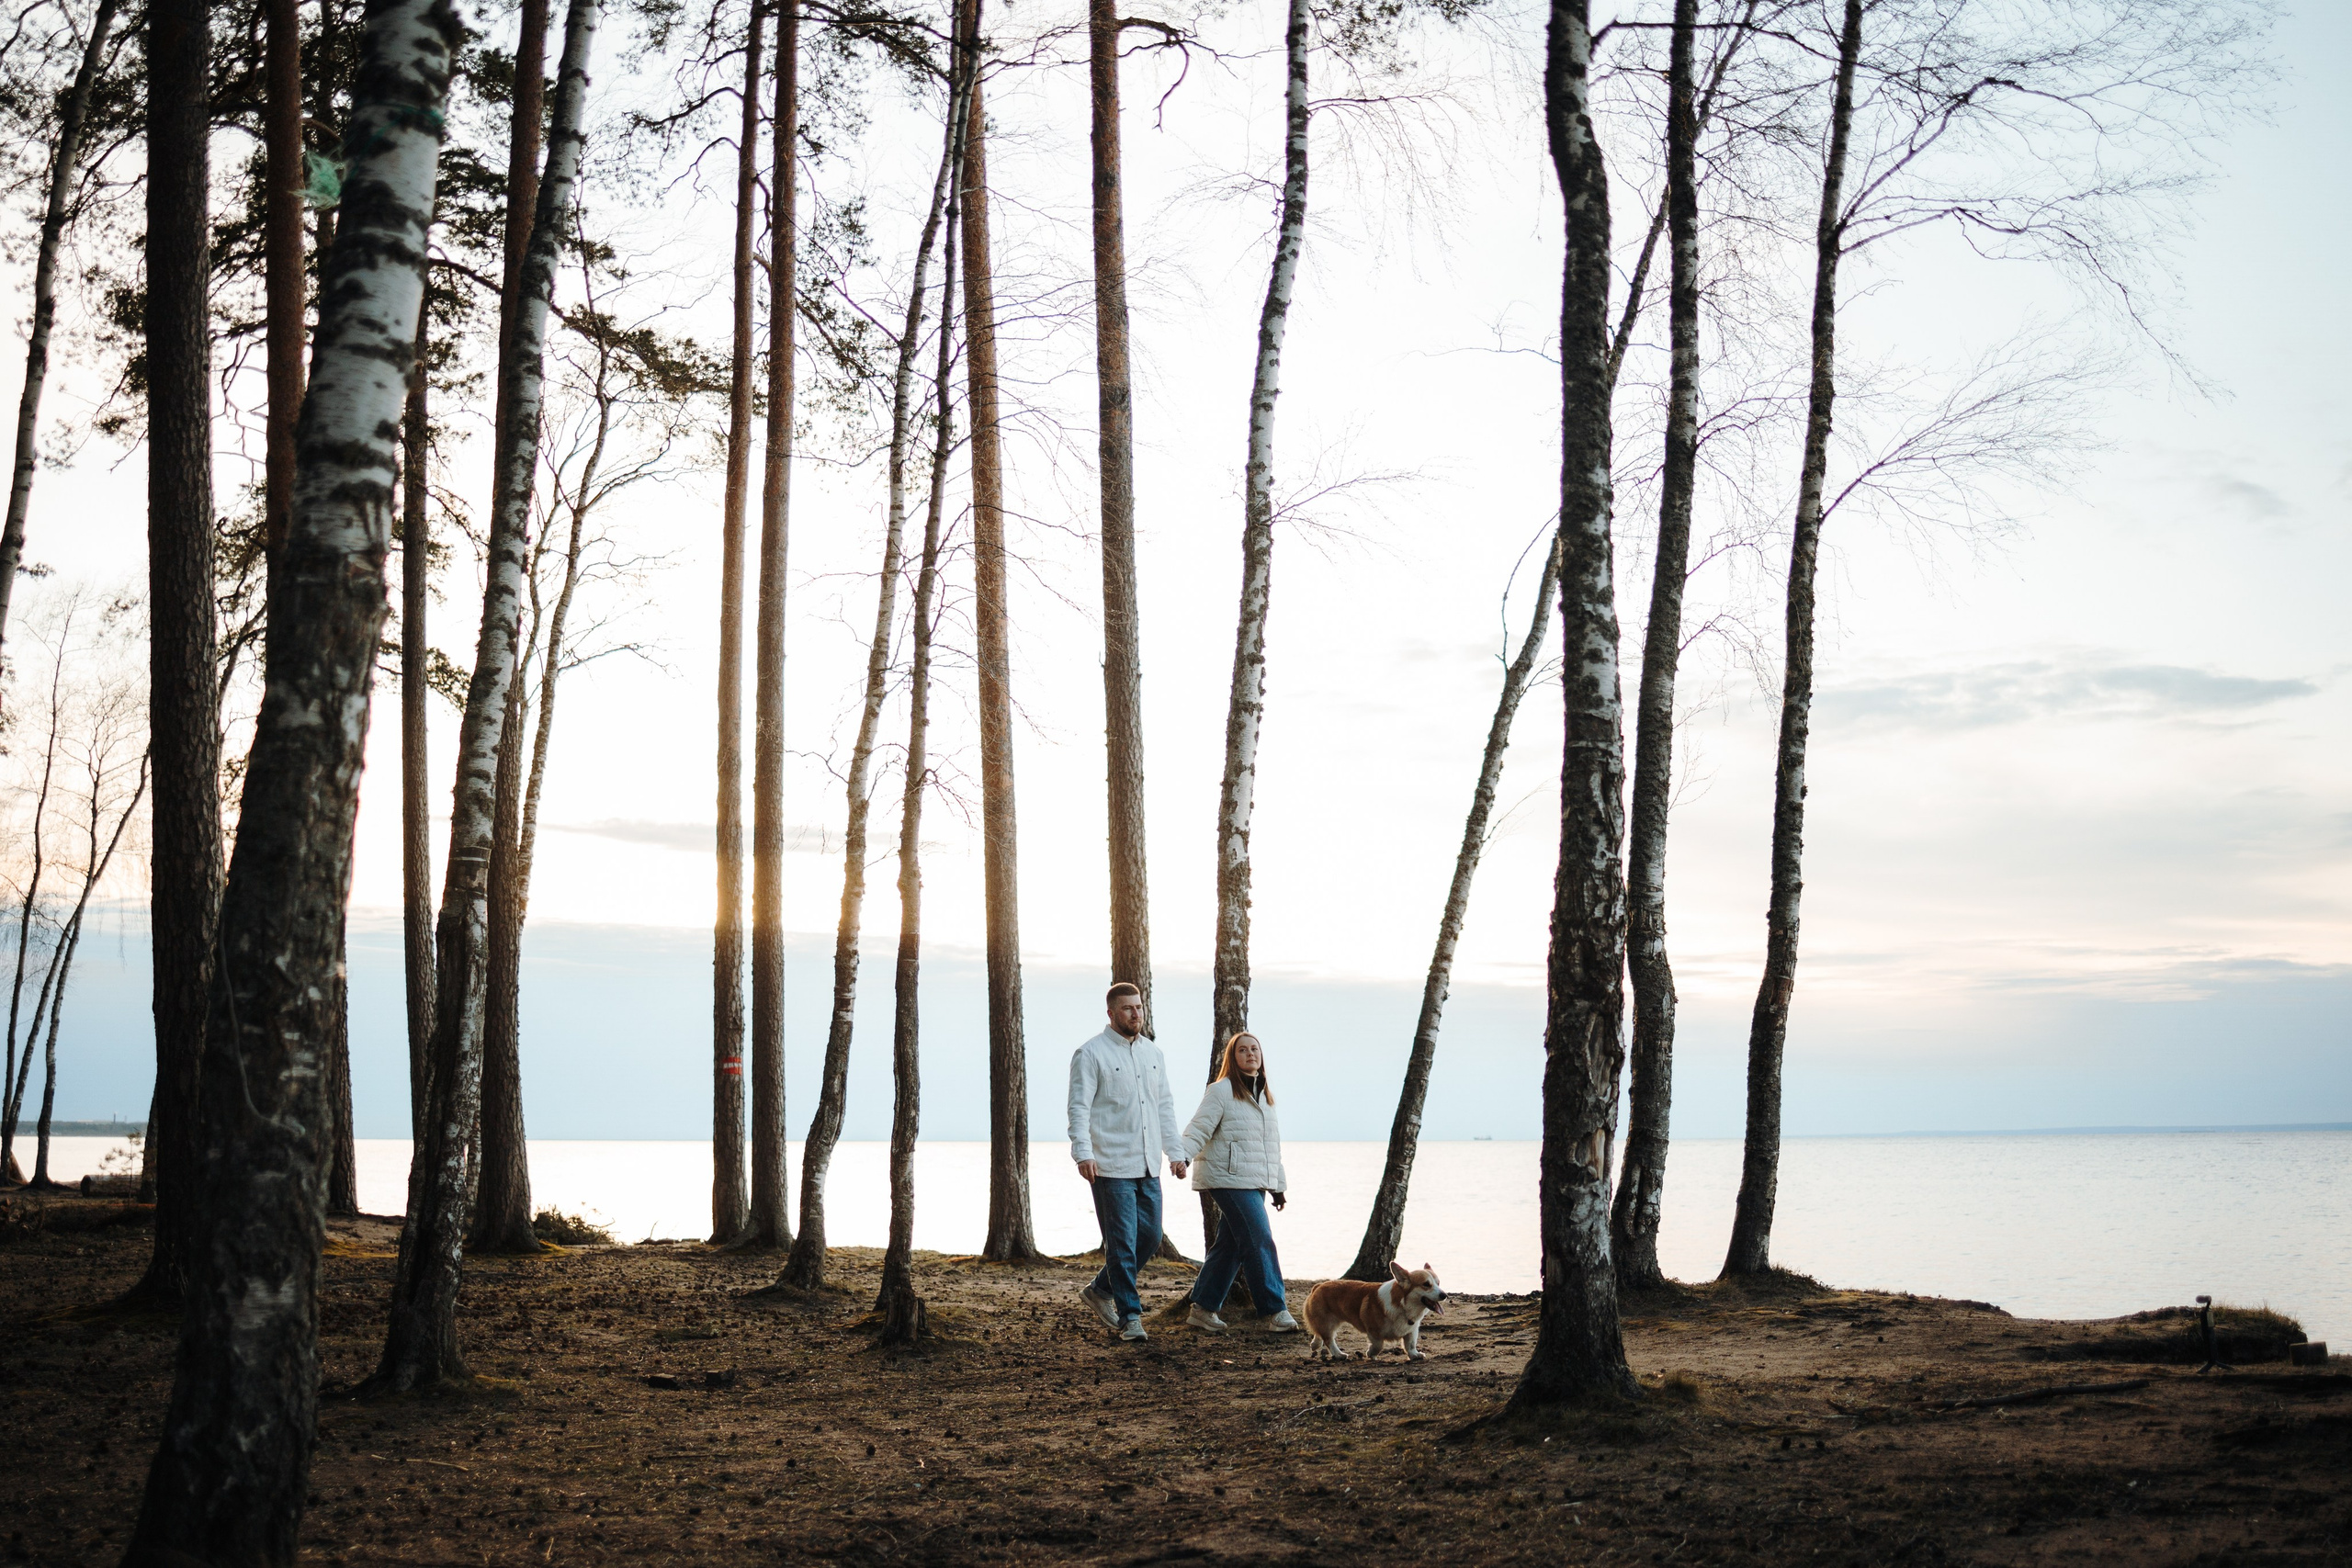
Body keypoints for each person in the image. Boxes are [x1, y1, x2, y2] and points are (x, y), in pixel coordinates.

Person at [1068, 981, 1187, 1342]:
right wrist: (1083, 1152)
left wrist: (1175, 1153)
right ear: (1111, 1013)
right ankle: (1130, 1316)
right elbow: (1078, 1107)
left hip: (1148, 1164)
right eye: (1127, 1009)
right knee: (1121, 1242)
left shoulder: (1153, 1053)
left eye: (1139, 1007)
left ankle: (1099, 1290)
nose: (1136, 1014)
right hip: (1110, 1165)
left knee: (1148, 1238)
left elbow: (1163, 1107)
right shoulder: (1090, 1054)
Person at [1177, 1032, 1299, 1332]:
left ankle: (1203, 1308)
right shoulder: (1221, 1090)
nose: (1250, 1054)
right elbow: (1199, 1128)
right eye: (1242, 1050)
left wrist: (1278, 1186)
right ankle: (1274, 1311)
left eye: (1254, 1049)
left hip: (1254, 1180)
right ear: (1233, 1058)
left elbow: (1272, 1147)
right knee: (1259, 1238)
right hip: (1226, 1177)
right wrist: (1182, 1156)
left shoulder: (1265, 1097)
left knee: (1230, 1245)